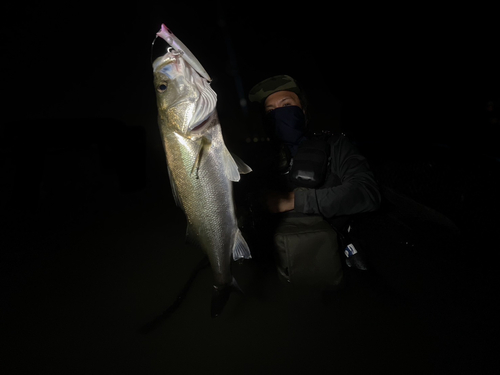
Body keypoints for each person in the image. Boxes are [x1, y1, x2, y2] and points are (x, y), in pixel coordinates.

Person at [240, 75, 381, 288]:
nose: (279, 113)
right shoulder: (256, 159)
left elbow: (368, 193)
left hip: (332, 261)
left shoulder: (335, 146)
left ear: (303, 110)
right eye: (270, 111)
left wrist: (295, 200)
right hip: (277, 268)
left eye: (286, 105)